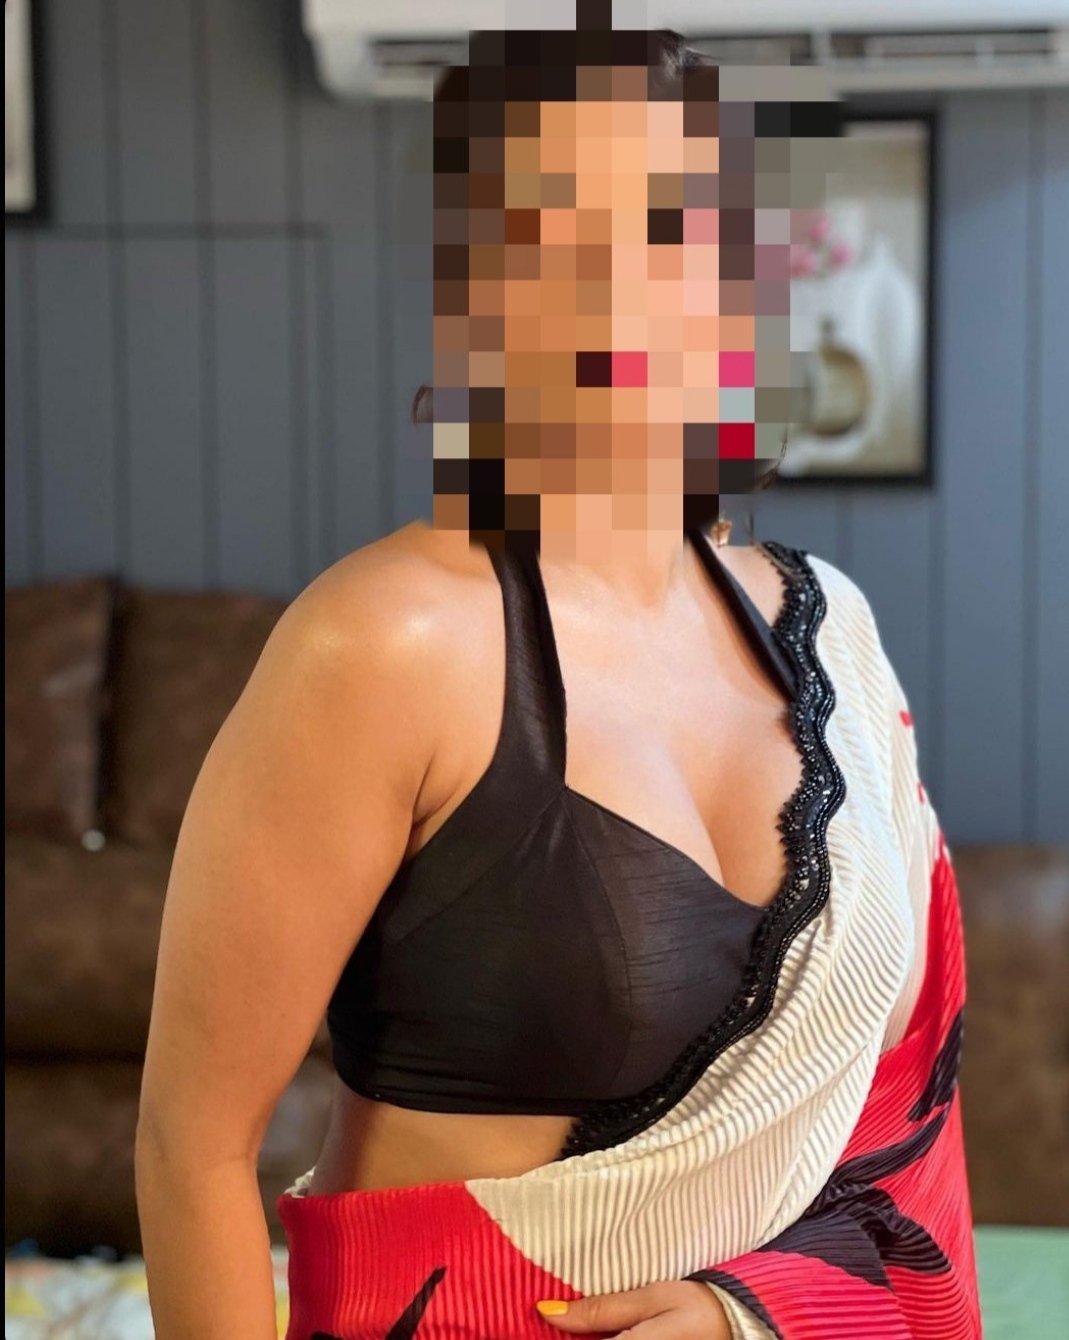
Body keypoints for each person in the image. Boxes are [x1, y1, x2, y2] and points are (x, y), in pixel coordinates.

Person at [136, 22, 981, 1340]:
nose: (618, 287)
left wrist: (741, 1314)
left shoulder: (834, 637)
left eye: (668, 228)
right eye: (549, 232)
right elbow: (191, 1151)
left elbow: (899, 1112)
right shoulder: (384, 646)